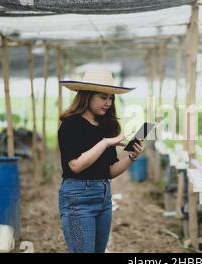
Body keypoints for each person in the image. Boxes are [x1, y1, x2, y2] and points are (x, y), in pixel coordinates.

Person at [57, 69, 143, 253]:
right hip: (77, 198)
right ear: (87, 96)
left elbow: (110, 171)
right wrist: (105, 143)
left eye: (111, 98)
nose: (108, 103)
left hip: (103, 196)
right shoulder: (71, 124)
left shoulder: (108, 125)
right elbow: (76, 166)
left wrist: (131, 157)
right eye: (103, 97)